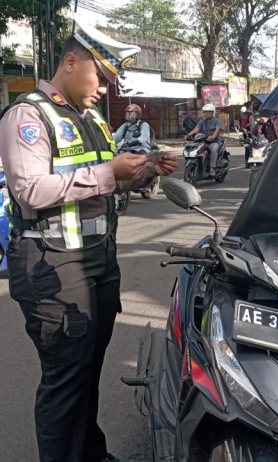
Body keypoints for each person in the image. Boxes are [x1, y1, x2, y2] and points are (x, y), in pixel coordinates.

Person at [0, 17, 178, 462]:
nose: (104, 88)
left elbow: (107, 184)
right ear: (70, 61)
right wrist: (107, 172)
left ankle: (91, 454)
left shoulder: (92, 118)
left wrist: (147, 169)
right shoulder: (28, 115)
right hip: (52, 265)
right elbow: (29, 190)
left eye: (109, 80)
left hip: (97, 262)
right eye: (100, 76)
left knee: (87, 373)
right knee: (65, 380)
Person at [185, 104, 223, 176]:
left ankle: (212, 168)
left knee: (214, 149)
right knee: (195, 149)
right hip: (203, 141)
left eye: (208, 112)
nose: (206, 113)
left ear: (213, 112)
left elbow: (217, 130)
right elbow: (196, 129)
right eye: (205, 112)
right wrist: (188, 135)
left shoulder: (217, 121)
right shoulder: (202, 121)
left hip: (213, 142)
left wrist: (213, 136)